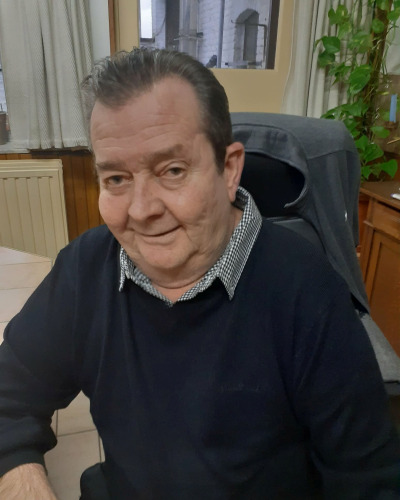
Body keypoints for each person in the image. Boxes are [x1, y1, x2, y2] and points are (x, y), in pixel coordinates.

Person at [0, 48, 399, 500]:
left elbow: (369, 481)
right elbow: (8, 398)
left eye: (172, 170)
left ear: (229, 170)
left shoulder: (307, 291)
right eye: (116, 179)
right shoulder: (85, 270)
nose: (141, 209)